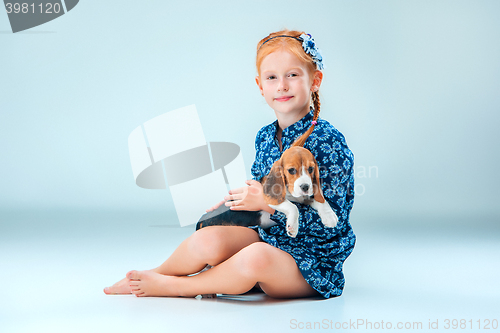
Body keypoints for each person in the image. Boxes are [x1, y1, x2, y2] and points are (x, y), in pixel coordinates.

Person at [104, 29, 356, 299]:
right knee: (209, 238)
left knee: (255, 257)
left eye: (292, 75)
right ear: (261, 86)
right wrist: (236, 204)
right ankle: (160, 272)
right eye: (272, 78)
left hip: (311, 260)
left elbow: (333, 224)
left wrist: (266, 202)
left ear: (315, 80)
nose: (281, 85)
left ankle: (179, 287)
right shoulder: (265, 137)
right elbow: (264, 191)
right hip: (273, 236)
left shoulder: (329, 141)